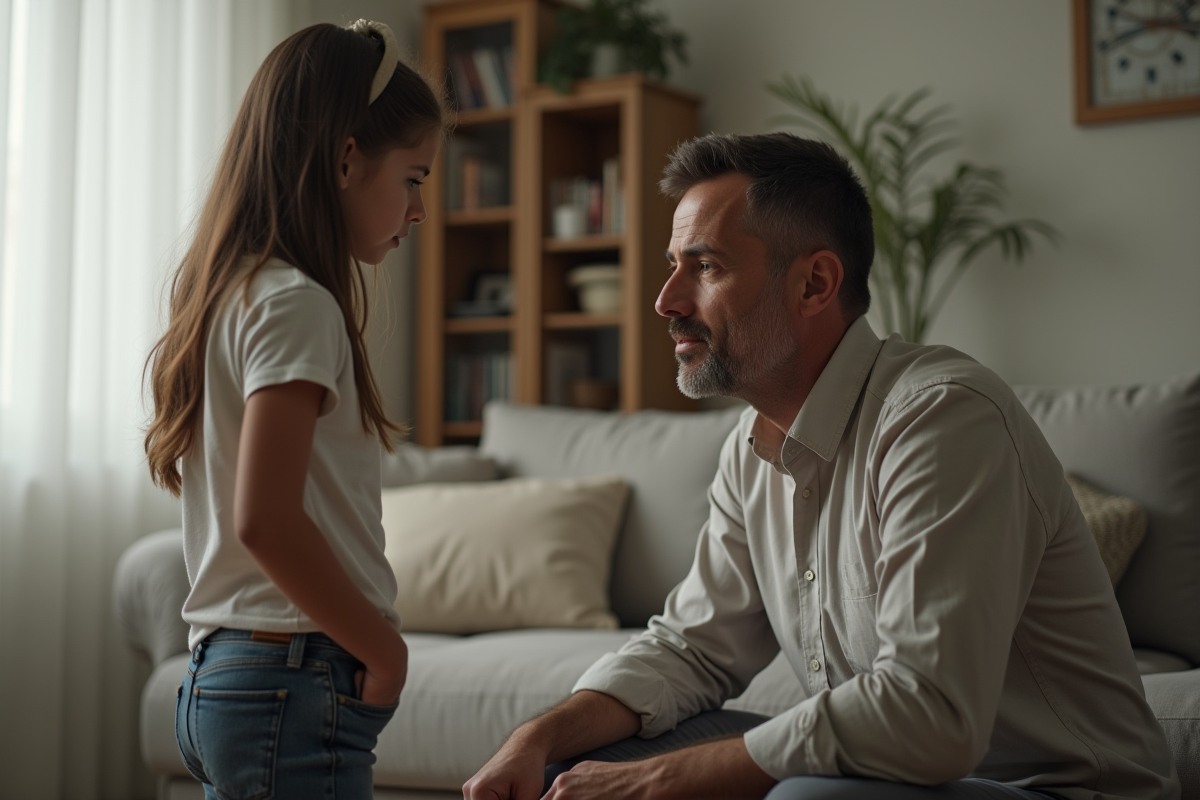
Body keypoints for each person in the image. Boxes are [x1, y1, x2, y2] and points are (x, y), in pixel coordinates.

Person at [463, 133, 1179, 800]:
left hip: (1054, 788)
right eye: (673, 268)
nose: (667, 301)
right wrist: (536, 737)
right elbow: (693, 651)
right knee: (574, 767)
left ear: (814, 284)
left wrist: (663, 781)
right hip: (895, 781)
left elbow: (928, 714)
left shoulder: (943, 419)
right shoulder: (750, 449)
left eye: (705, 267)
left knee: (803, 796)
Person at [142, 20, 444, 800]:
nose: (419, 211)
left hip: (229, 674)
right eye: (413, 178)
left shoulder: (234, 295)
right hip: (291, 674)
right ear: (348, 157)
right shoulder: (297, 305)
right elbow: (265, 520)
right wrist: (385, 652)